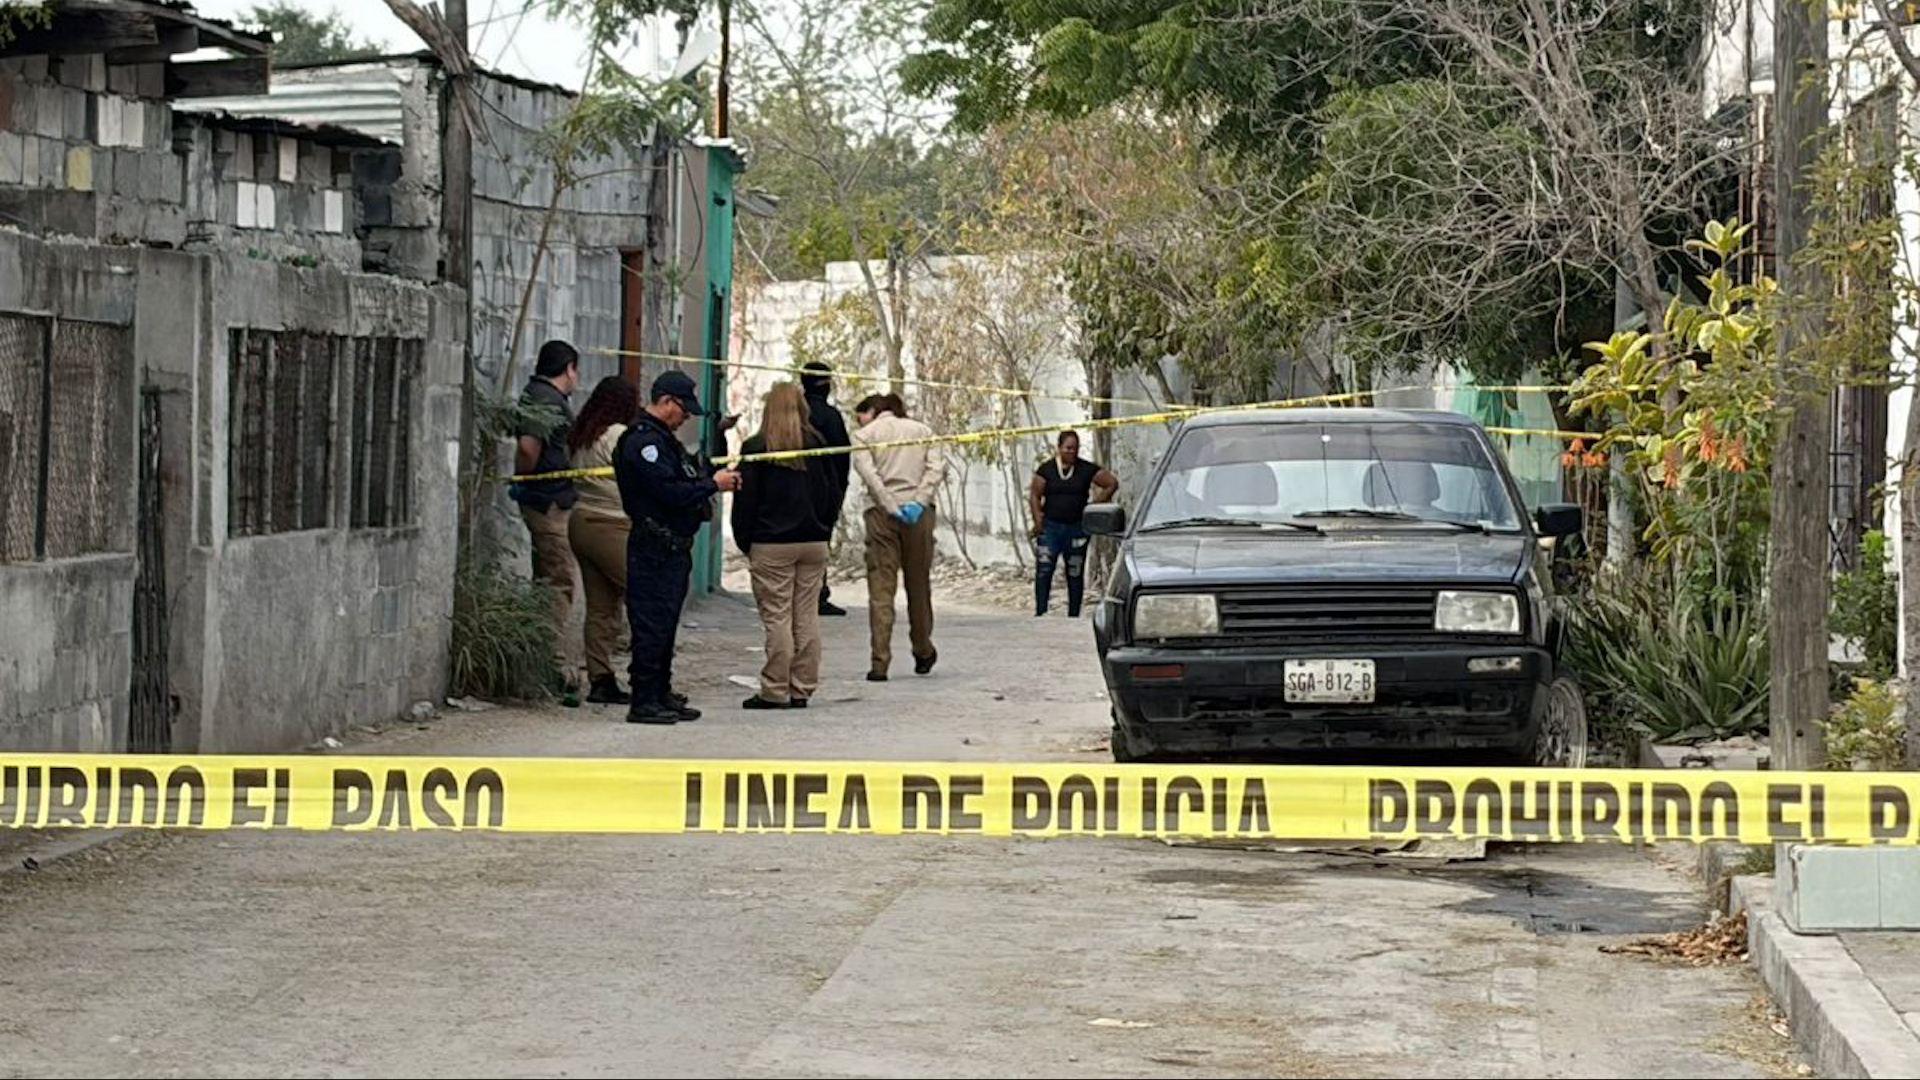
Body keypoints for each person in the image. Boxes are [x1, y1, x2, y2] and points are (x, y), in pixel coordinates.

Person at [614, 370, 742, 724]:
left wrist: (710, 470)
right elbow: (668, 491)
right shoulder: (644, 443)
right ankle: (644, 699)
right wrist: (712, 486)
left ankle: (660, 691)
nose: (686, 417)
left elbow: (687, 477)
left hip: (673, 547)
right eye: (683, 409)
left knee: (667, 623)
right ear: (666, 401)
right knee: (651, 624)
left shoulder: (665, 441)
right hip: (653, 546)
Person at [731, 382, 838, 710]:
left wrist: (745, 541)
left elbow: (745, 502)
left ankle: (774, 689)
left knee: (777, 616)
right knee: (806, 615)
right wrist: (822, 529)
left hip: (771, 543)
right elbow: (830, 495)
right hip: (813, 541)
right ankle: (801, 687)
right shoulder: (816, 445)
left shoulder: (756, 447)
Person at [849, 392, 944, 681]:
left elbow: (870, 475)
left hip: (881, 515)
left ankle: (880, 661)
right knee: (918, 585)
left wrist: (890, 505)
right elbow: (936, 469)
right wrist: (919, 500)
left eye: (862, 413)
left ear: (876, 410)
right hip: (919, 514)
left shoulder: (864, 436)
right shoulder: (923, 431)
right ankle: (923, 649)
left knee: (881, 588)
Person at [509, 339, 581, 699]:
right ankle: (548, 663)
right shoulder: (543, 399)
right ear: (568, 368)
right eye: (575, 370)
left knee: (550, 578)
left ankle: (541, 659)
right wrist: (528, 479)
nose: (576, 378)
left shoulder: (543, 396)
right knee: (559, 580)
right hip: (547, 502)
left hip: (551, 499)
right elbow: (527, 447)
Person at [565, 376, 641, 705]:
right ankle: (647, 676)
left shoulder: (583, 434)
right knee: (646, 596)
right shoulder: (617, 435)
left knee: (601, 606)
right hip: (612, 523)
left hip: (581, 521)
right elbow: (636, 477)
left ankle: (601, 677)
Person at [1029, 430, 1119, 618]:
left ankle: (1074, 615)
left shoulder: (1085, 469)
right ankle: (1041, 611)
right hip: (1051, 527)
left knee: (1075, 572)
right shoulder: (1046, 470)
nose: (1072, 452)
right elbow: (1035, 495)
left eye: (1075, 448)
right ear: (1059, 448)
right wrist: (1038, 521)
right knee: (1044, 570)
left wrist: (1094, 507)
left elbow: (1111, 483)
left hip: (1077, 528)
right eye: (1068, 448)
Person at [799, 360, 852, 617]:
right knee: (818, 544)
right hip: (823, 493)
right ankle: (816, 594)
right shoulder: (830, 417)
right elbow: (842, 457)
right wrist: (839, 491)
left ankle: (803, 593)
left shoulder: (791, 413)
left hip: (792, 493)